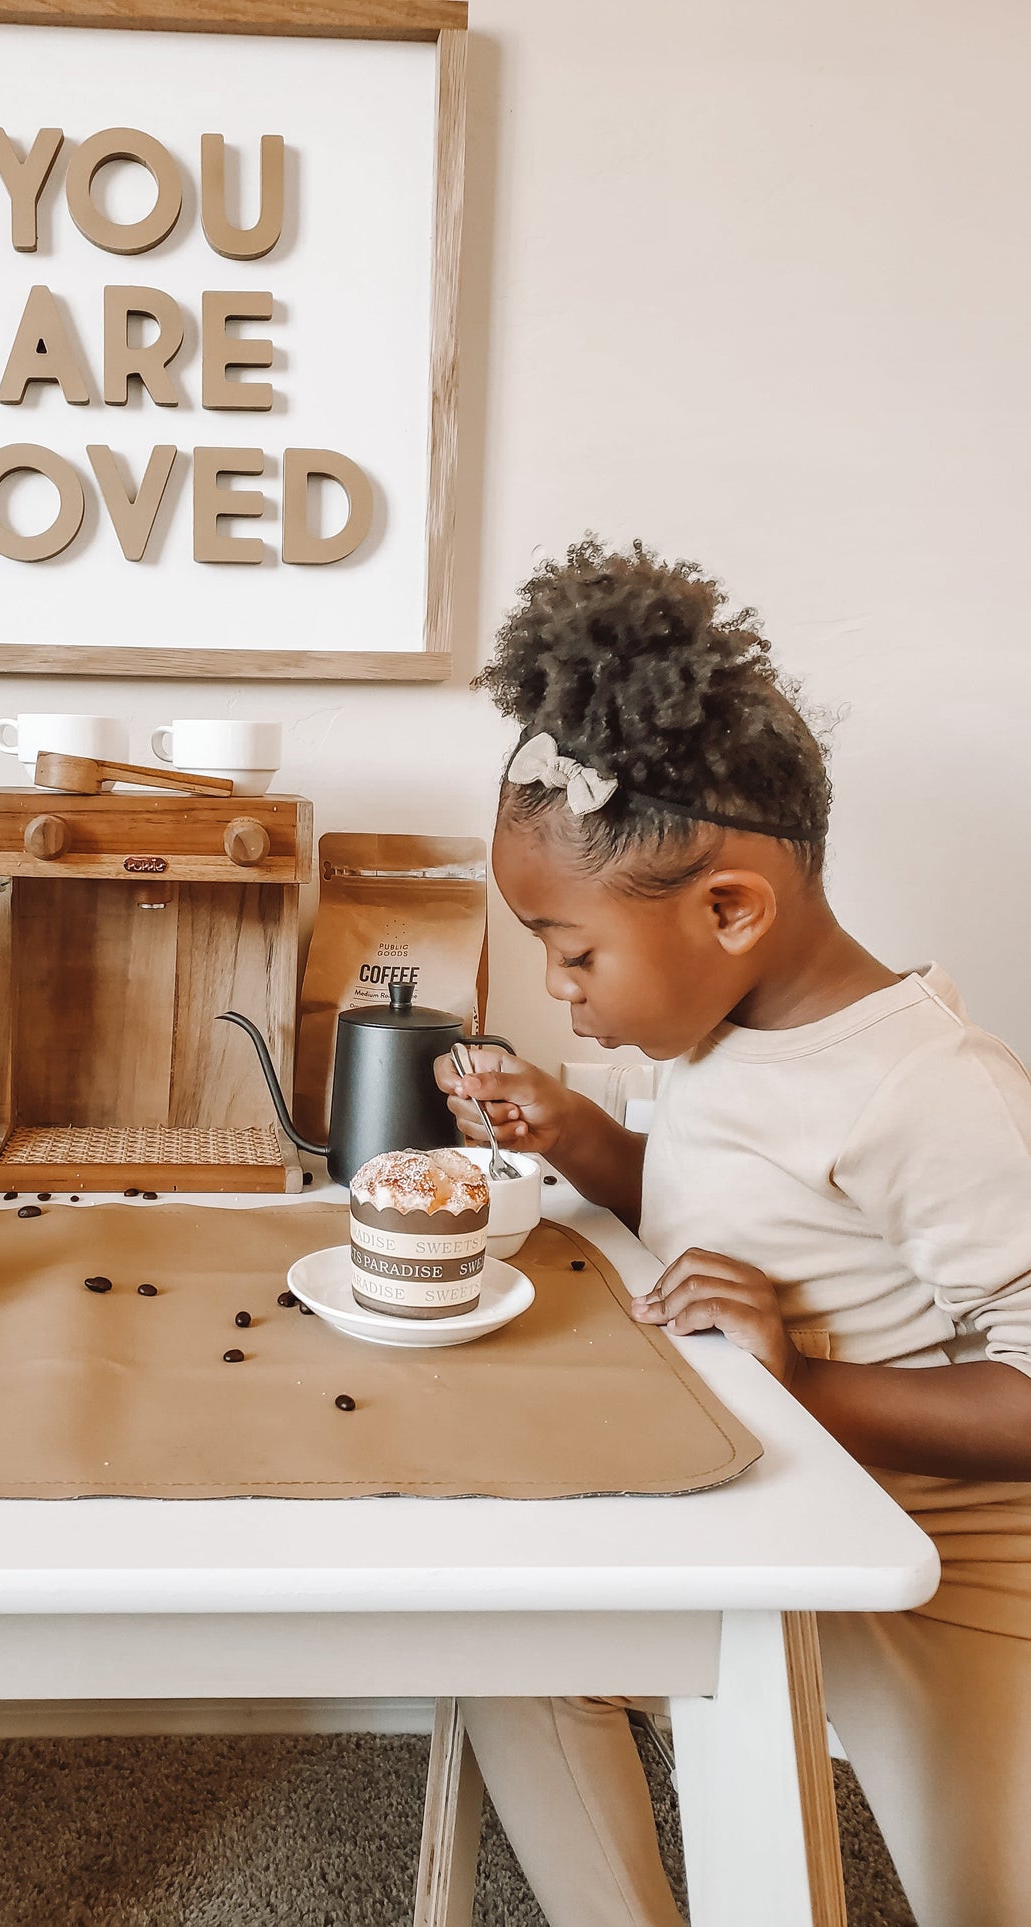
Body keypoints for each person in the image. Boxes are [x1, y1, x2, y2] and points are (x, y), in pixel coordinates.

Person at [435, 537, 1031, 1927]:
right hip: (771, 1513)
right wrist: (584, 1143)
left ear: (729, 910)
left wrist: (799, 1385)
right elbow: (722, 1222)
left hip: (950, 1582)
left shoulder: (927, 1089)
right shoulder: (721, 1035)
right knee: (507, 1638)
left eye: (571, 952)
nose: (556, 988)